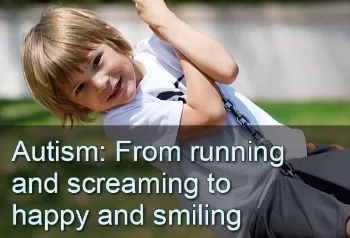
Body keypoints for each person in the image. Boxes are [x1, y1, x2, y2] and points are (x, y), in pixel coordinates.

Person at [21, 2, 350, 238]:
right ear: (76, 105)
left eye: (96, 62)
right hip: (256, 202)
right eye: (81, 88)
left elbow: (226, 69)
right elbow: (209, 114)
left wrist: (167, 24)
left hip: (291, 159)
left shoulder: (154, 48)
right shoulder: (124, 120)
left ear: (109, 36)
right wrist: (174, 37)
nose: (100, 82)